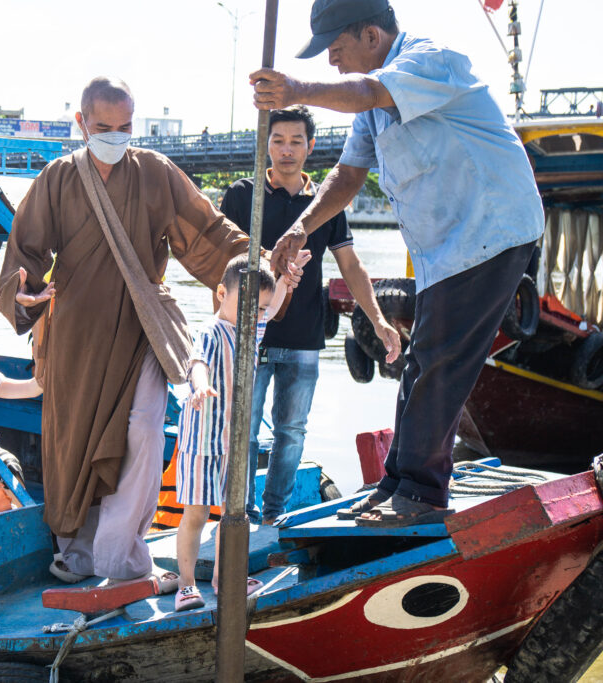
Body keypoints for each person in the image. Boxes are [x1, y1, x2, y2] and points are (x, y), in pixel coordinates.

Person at [250, 0, 544, 526]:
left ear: (370, 35)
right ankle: (399, 480)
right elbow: (346, 176)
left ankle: (423, 493)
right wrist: (300, 227)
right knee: (420, 362)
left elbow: (372, 90)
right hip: (445, 251)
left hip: (490, 230)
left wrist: (297, 91)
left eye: (336, 49)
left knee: (439, 360)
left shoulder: (432, 60)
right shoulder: (369, 105)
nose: (333, 62)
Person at [0, 76, 251, 584]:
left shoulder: (156, 172)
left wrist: (259, 263)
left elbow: (207, 233)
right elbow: (24, 256)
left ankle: (121, 556)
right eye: (103, 126)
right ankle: (76, 553)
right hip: (74, 336)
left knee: (143, 433)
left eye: (125, 127)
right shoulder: (56, 178)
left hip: (143, 328)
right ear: (82, 123)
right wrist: (21, 296)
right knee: (72, 445)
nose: (114, 135)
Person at [220, 105, 400, 524]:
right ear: (265, 143)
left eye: (295, 141)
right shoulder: (242, 196)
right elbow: (219, 265)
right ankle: (239, 514)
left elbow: (351, 266)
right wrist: (225, 329)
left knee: (292, 432)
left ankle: (274, 515)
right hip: (250, 334)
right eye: (278, 140)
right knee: (241, 429)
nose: (286, 150)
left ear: (310, 146)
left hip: (304, 336)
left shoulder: (325, 203)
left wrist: (378, 319)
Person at [174, 254, 292, 611]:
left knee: (232, 516)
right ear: (221, 293)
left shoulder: (252, 330)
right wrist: (200, 387)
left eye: (259, 309)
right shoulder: (210, 331)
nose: (254, 315)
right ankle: (186, 584)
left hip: (234, 443)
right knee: (196, 513)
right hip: (202, 440)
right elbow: (198, 363)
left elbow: (272, 309)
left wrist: (286, 277)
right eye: (248, 306)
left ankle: (224, 578)